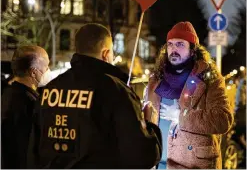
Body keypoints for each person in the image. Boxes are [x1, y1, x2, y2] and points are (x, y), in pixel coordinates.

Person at [32, 23, 162, 169]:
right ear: (106, 54)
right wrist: (150, 125)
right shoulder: (116, 91)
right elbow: (141, 156)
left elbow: (34, 151)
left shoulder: (48, 90)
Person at [144, 22, 234, 169]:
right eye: (170, 44)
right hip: (157, 165)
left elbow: (223, 119)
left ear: (193, 50)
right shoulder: (156, 80)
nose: (173, 49)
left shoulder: (209, 79)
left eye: (180, 44)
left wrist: (182, 116)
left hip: (192, 166)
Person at [1, 45, 50, 168]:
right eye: (46, 66)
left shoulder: (7, 94)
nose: (48, 70)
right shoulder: (29, 103)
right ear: (33, 72)